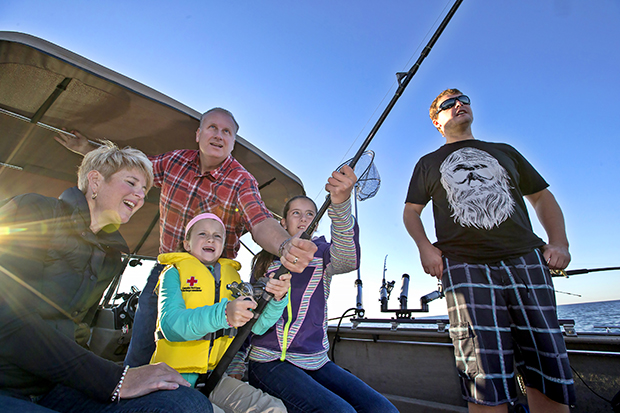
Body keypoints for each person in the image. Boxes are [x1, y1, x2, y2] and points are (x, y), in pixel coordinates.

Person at [54, 107, 317, 367]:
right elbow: (130, 169)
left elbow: (260, 220)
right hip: (166, 270)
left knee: (207, 352)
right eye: (212, 127)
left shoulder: (241, 181)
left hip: (214, 280)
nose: (218, 135)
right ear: (198, 134)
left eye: (227, 131)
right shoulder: (174, 162)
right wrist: (86, 148)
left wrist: (285, 245)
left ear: (233, 142)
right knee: (141, 348)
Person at [0, 141, 212, 412]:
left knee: (186, 403)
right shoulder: (34, 212)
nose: (139, 195)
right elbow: (10, 322)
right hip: (6, 381)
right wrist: (116, 378)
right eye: (132, 182)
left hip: (53, 386)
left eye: (144, 189)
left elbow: (78, 334)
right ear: (96, 181)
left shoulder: (110, 256)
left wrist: (120, 377)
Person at [403, 88, 575, 413]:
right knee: (483, 375)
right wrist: (425, 248)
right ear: (437, 122)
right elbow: (411, 211)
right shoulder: (427, 163)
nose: (459, 106)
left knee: (546, 364)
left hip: (526, 260)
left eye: (463, 100)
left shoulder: (504, 151)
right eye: (448, 104)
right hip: (464, 268)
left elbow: (541, 197)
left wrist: (559, 241)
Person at [247, 166, 399, 413]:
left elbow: (348, 259)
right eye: (296, 213)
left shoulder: (323, 255)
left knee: (384, 410)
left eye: (310, 214)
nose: (304, 218)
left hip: (315, 361)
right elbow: (248, 316)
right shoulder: (264, 263)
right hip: (268, 361)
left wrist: (340, 206)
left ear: (316, 223)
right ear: (282, 222)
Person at [151, 212, 289, 413]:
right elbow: (171, 325)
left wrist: (277, 299)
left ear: (223, 245)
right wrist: (224, 314)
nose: (210, 239)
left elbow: (257, 327)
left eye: (217, 236)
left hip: (216, 377)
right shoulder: (173, 273)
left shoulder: (233, 279)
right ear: (187, 244)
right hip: (173, 378)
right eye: (202, 234)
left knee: (274, 408)